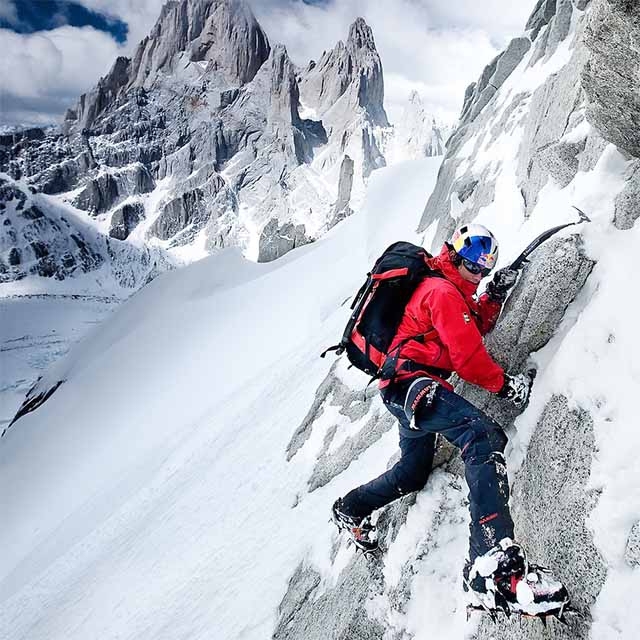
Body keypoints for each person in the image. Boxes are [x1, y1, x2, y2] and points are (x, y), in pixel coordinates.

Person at [332, 224, 569, 617]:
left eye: (485, 269)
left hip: (402, 390)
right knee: (483, 436)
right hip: (415, 387)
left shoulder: (445, 287)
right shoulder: (442, 292)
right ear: (456, 256)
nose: (480, 274)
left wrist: (491, 297)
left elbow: (468, 327)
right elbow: (469, 359)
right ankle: (490, 568)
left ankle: (350, 507)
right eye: (476, 266)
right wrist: (507, 387)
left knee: (412, 473)